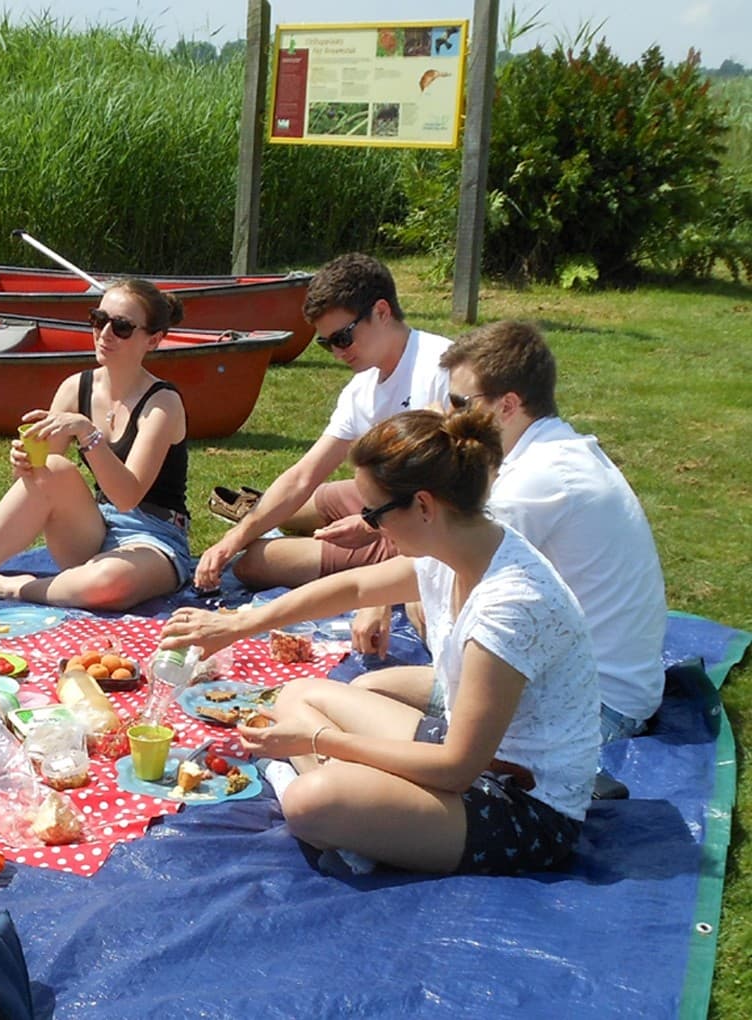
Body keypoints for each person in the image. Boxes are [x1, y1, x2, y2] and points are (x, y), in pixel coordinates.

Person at [160, 409, 599, 875]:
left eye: (373, 513)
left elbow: (456, 768)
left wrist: (317, 739)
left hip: (524, 804)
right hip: (475, 757)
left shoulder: (509, 605)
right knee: (295, 693)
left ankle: (346, 808)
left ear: (425, 506)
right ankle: (366, 809)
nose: (368, 525)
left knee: (313, 802)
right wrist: (237, 626)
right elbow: (357, 588)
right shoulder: (457, 547)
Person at [352, 322, 666, 744]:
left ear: (507, 406)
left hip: (596, 705)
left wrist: (382, 600)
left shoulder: (538, 480)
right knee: (365, 694)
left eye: (460, 402)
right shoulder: (550, 452)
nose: (448, 417)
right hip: (588, 680)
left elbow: (435, 572)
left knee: (364, 726)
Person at [0, 280, 194, 613]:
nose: (104, 333)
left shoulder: (162, 404)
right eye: (98, 319)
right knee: (51, 469)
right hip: (93, 526)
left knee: (109, 584)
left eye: (121, 327)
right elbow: (39, 485)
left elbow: (128, 496)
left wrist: (86, 432)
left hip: (154, 536)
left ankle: (10, 586)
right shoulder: (75, 388)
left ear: (153, 340)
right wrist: (23, 462)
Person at [193, 253, 451, 592]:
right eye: (326, 344)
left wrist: (371, 523)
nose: (338, 353)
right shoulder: (363, 386)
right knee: (300, 504)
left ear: (382, 312)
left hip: (425, 523)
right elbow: (304, 474)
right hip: (384, 498)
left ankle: (289, 530)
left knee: (253, 565)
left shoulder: (444, 370)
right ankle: (264, 517)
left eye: (342, 338)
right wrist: (233, 537)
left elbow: (454, 493)